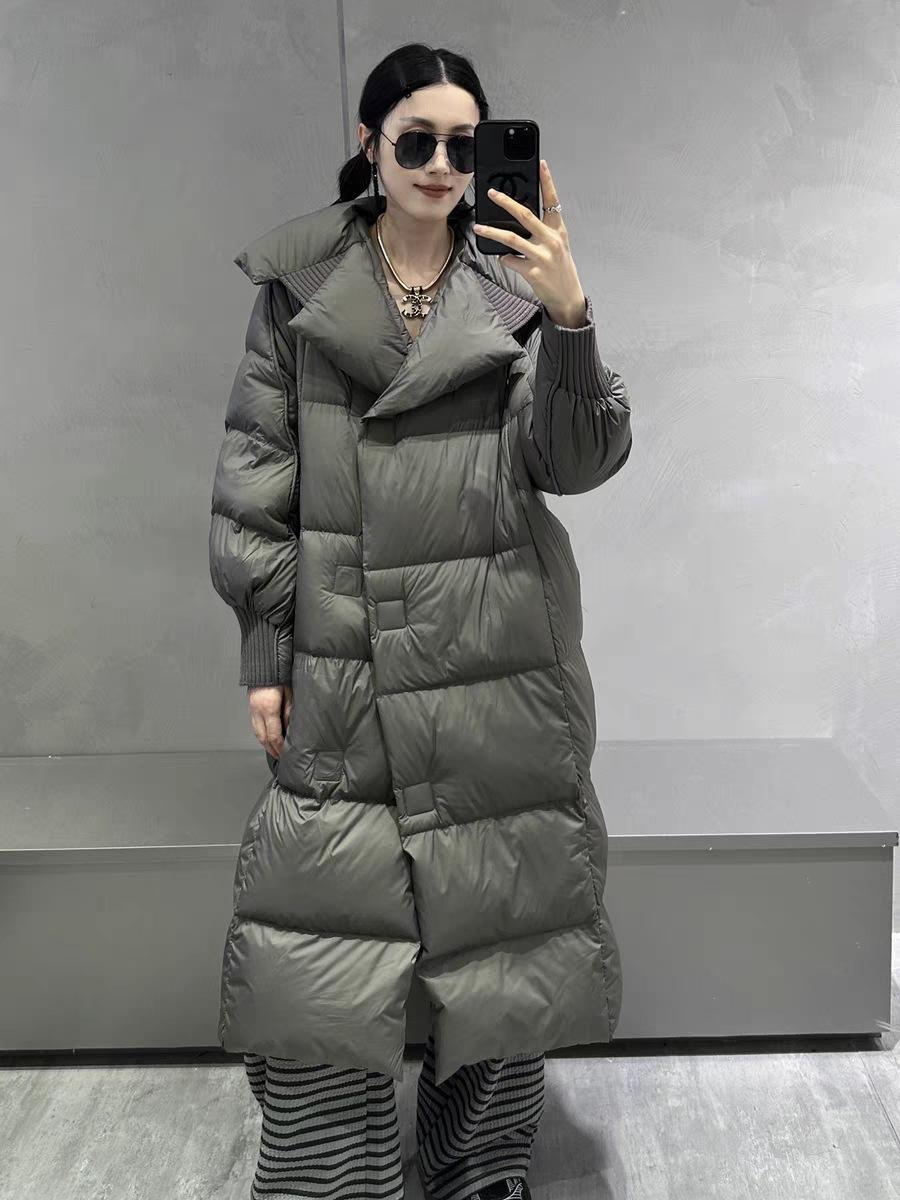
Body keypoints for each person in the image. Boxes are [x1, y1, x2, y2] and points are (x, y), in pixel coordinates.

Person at [208, 40, 632, 1200]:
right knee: (323, 938)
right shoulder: (300, 289)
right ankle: (329, 1174)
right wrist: (266, 649)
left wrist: (572, 313)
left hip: (499, 655)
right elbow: (255, 474)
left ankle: (477, 1164)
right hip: (344, 655)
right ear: (370, 144)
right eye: (417, 140)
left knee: (505, 932)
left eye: (463, 143)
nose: (443, 164)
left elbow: (576, 461)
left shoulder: (516, 287)